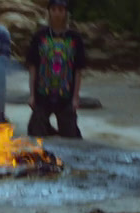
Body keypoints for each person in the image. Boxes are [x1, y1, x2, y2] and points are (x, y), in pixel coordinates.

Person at [26, 0, 86, 139]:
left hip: (66, 94)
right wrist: (32, 95)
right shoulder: (39, 36)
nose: (57, 13)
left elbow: (78, 70)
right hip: (42, 93)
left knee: (71, 138)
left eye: (61, 10)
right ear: (49, 12)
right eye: (54, 9)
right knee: (35, 135)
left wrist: (76, 97)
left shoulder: (75, 38)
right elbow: (33, 66)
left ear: (65, 12)